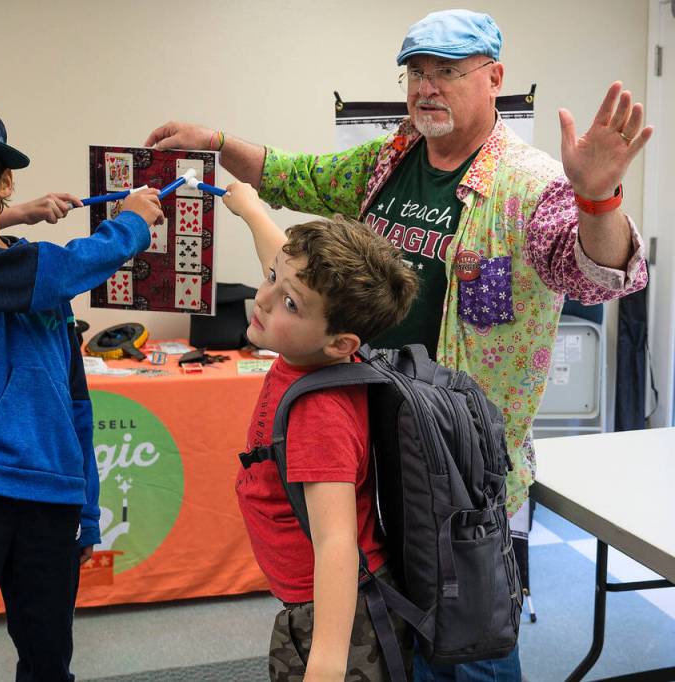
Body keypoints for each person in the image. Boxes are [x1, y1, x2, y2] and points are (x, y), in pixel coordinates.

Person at [146, 9, 650, 679]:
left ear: (493, 77)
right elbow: (298, 175)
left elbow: (596, 271)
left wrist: (598, 201)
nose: (426, 87)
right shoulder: (391, 157)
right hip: (375, 445)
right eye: (417, 72)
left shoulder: (527, 184)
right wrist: (215, 140)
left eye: (447, 72)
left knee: (469, 642)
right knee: (393, 632)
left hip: (460, 467)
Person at [0, 98, 162, 681]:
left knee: (49, 663)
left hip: (51, 495)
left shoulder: (40, 283)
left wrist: (87, 508)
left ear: (3, 186)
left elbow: (75, 401)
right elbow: (43, 272)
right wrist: (131, 226)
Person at [223, 181, 419, 681]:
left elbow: (337, 542)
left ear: (340, 343)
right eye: (270, 279)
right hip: (321, 602)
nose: (262, 298)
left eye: (288, 303)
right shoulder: (316, 349)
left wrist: (326, 664)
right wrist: (250, 209)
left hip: (336, 617)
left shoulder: (320, 412)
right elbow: (287, 266)